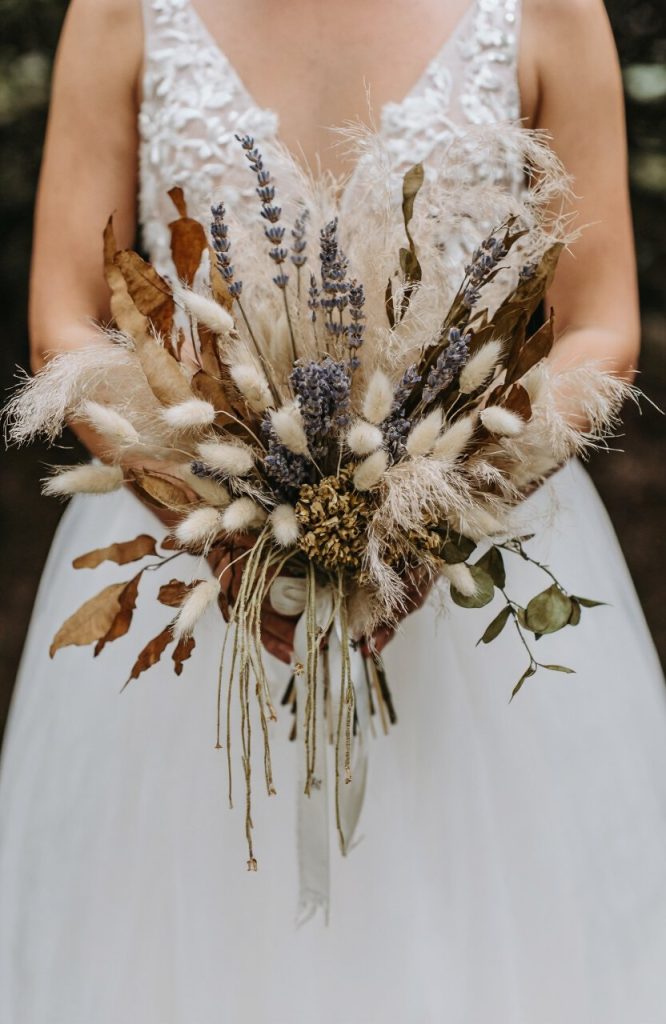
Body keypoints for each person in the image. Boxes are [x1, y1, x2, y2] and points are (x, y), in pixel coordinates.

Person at [1, 1, 666, 1021]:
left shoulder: (547, 9)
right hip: (187, 577)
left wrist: (442, 503)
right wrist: (211, 509)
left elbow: (600, 320)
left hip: (476, 588)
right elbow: (65, 316)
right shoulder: (123, 9)